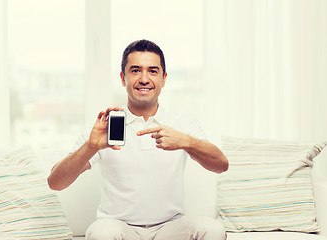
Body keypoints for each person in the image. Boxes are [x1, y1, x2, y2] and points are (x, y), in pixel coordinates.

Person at [47, 39, 229, 240]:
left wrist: (187, 142)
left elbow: (221, 165)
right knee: (101, 232)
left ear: (163, 78)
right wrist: (90, 147)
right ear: (123, 78)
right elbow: (55, 182)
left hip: (170, 228)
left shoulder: (182, 125)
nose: (144, 79)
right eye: (135, 70)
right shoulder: (104, 128)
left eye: (152, 71)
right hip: (119, 228)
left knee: (213, 230)